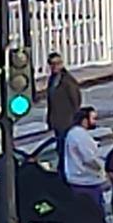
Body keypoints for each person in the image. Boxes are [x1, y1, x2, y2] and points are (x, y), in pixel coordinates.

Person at [45, 52, 81, 180]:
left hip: (67, 121)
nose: (54, 67)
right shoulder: (52, 80)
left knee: (65, 148)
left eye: (57, 64)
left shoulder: (67, 81)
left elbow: (76, 100)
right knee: (60, 148)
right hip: (57, 121)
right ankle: (62, 172)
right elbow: (50, 102)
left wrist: (74, 118)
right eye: (52, 64)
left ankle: (65, 174)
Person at [64, 106, 106, 212]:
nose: (95, 122)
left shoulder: (73, 133)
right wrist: (101, 168)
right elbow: (89, 159)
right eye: (93, 118)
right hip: (87, 181)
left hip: (77, 180)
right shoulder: (81, 136)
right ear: (84, 120)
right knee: (94, 212)